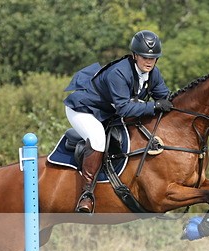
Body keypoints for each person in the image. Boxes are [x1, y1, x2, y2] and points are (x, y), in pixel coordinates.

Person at [64, 30, 173, 213]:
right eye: (145, 57)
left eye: (153, 58)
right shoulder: (119, 72)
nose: (149, 61)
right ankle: (87, 194)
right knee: (98, 139)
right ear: (135, 55)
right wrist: (154, 106)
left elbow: (166, 98)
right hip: (84, 109)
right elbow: (124, 109)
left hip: (108, 111)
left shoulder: (153, 73)